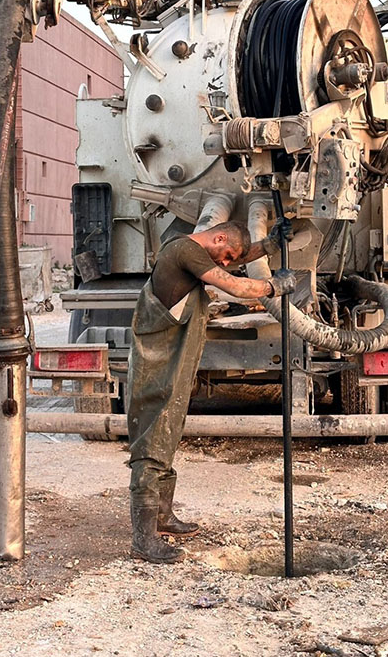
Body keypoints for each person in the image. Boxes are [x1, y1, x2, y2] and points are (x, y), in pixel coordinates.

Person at [127, 220, 295, 563]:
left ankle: (162, 517)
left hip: (171, 359)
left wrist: (269, 245)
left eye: (230, 257)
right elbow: (232, 284)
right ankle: (144, 539)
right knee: (153, 441)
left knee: (168, 433)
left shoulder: (189, 248)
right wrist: (272, 287)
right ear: (217, 237)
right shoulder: (185, 251)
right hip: (158, 362)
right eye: (226, 254)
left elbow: (232, 258)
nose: (225, 262)